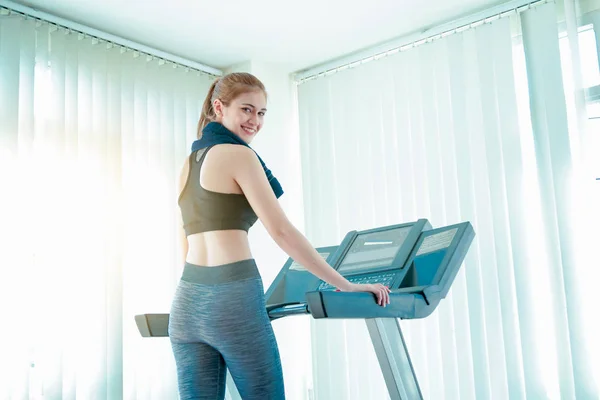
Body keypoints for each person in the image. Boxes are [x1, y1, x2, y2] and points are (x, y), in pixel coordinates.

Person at [168, 72, 391, 400]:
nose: (254, 121)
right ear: (219, 107)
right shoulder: (239, 156)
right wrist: (347, 285)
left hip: (186, 303)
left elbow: (184, 240)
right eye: (246, 109)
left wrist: (202, 299)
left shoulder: (189, 163)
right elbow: (282, 232)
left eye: (261, 113)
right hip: (232, 298)